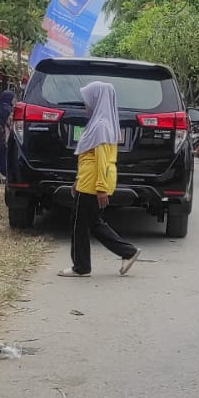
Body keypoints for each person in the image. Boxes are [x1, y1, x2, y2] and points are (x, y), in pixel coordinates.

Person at [59, 81, 141, 277]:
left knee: (80, 224)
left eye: (88, 100)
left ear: (97, 100)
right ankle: (127, 252)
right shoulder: (101, 123)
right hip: (88, 181)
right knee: (94, 222)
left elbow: (102, 160)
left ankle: (81, 266)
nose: (86, 105)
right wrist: (78, 180)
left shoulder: (101, 126)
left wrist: (101, 188)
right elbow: (89, 158)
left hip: (92, 184)